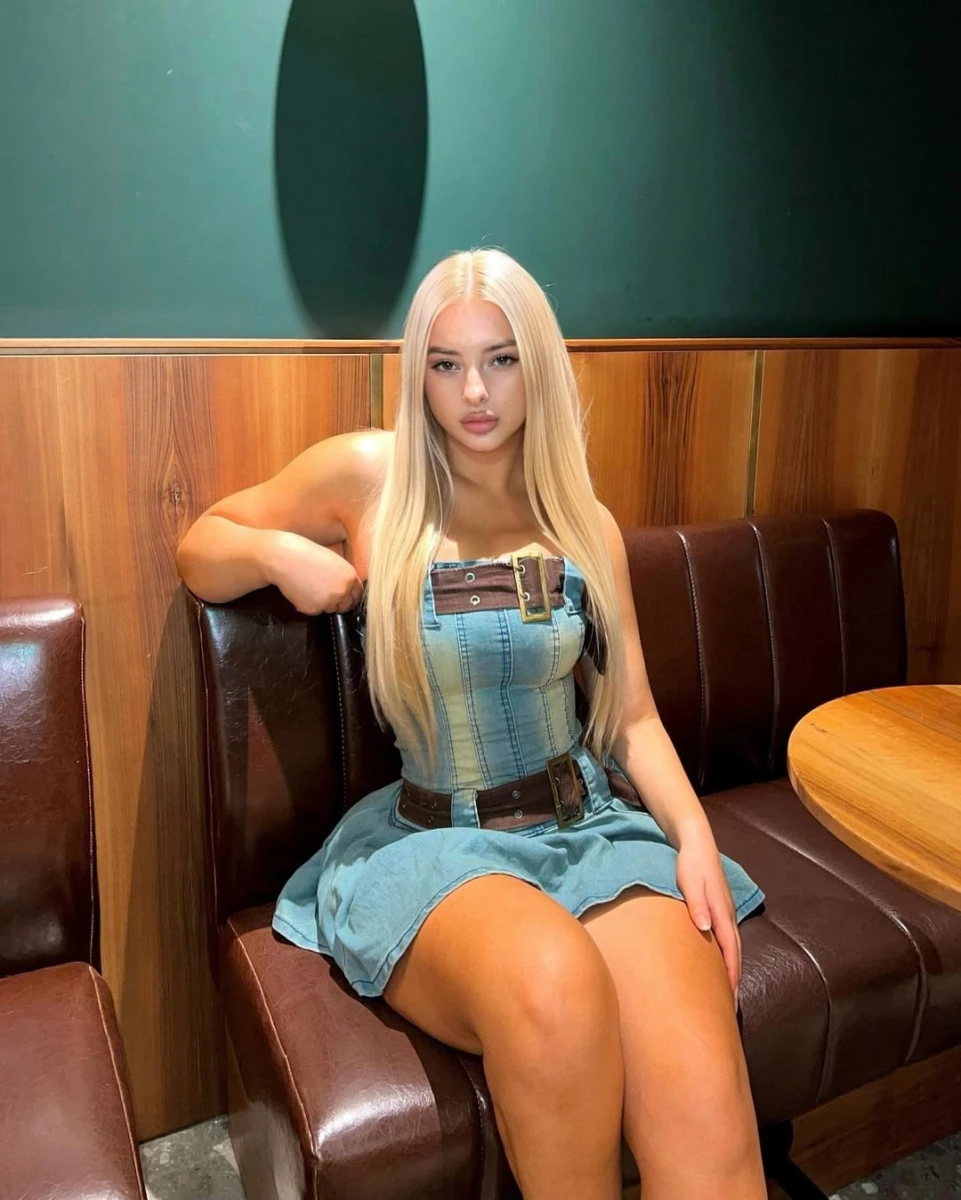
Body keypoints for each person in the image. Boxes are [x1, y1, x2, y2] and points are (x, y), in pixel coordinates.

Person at [176, 248, 767, 1200]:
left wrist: (693, 837)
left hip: (588, 829)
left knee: (708, 1115)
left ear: (538, 364)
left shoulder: (581, 520)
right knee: (556, 985)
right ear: (417, 375)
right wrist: (281, 557)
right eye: (445, 364)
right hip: (432, 842)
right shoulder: (371, 475)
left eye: (500, 359)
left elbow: (631, 716)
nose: (475, 392)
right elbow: (200, 545)